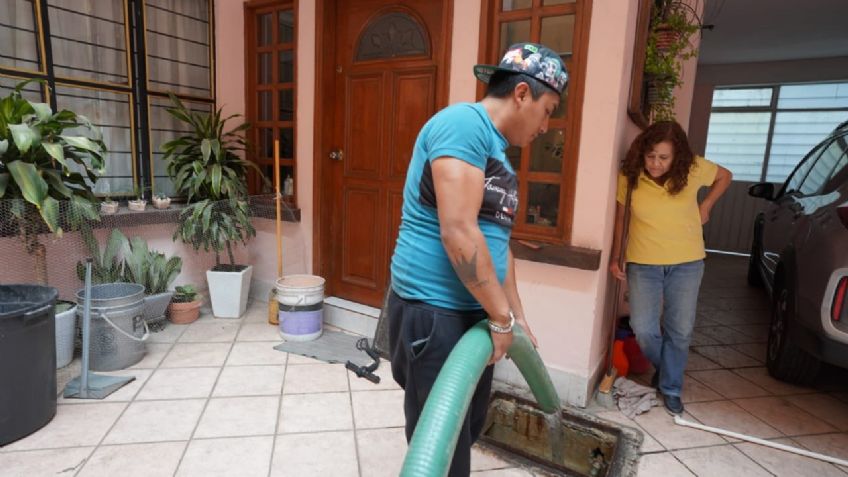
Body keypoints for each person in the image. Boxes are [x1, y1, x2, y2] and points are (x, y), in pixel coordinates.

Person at [388, 43, 566, 476]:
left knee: (465, 430)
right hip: (435, 311)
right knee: (441, 450)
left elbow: (497, 244)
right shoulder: (462, 125)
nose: (546, 126)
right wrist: (501, 319)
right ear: (521, 93)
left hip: (474, 313)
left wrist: (514, 317)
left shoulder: (497, 152)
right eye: (547, 111)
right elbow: (458, 232)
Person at [609, 121, 732, 415]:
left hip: (687, 262)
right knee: (643, 329)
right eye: (650, 156)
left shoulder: (692, 168)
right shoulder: (631, 175)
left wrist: (706, 206)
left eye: (663, 157)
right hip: (643, 262)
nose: (655, 163)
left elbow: (725, 176)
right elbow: (622, 219)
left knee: (680, 329)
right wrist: (616, 256)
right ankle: (667, 369)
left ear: (677, 156)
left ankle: (671, 387)